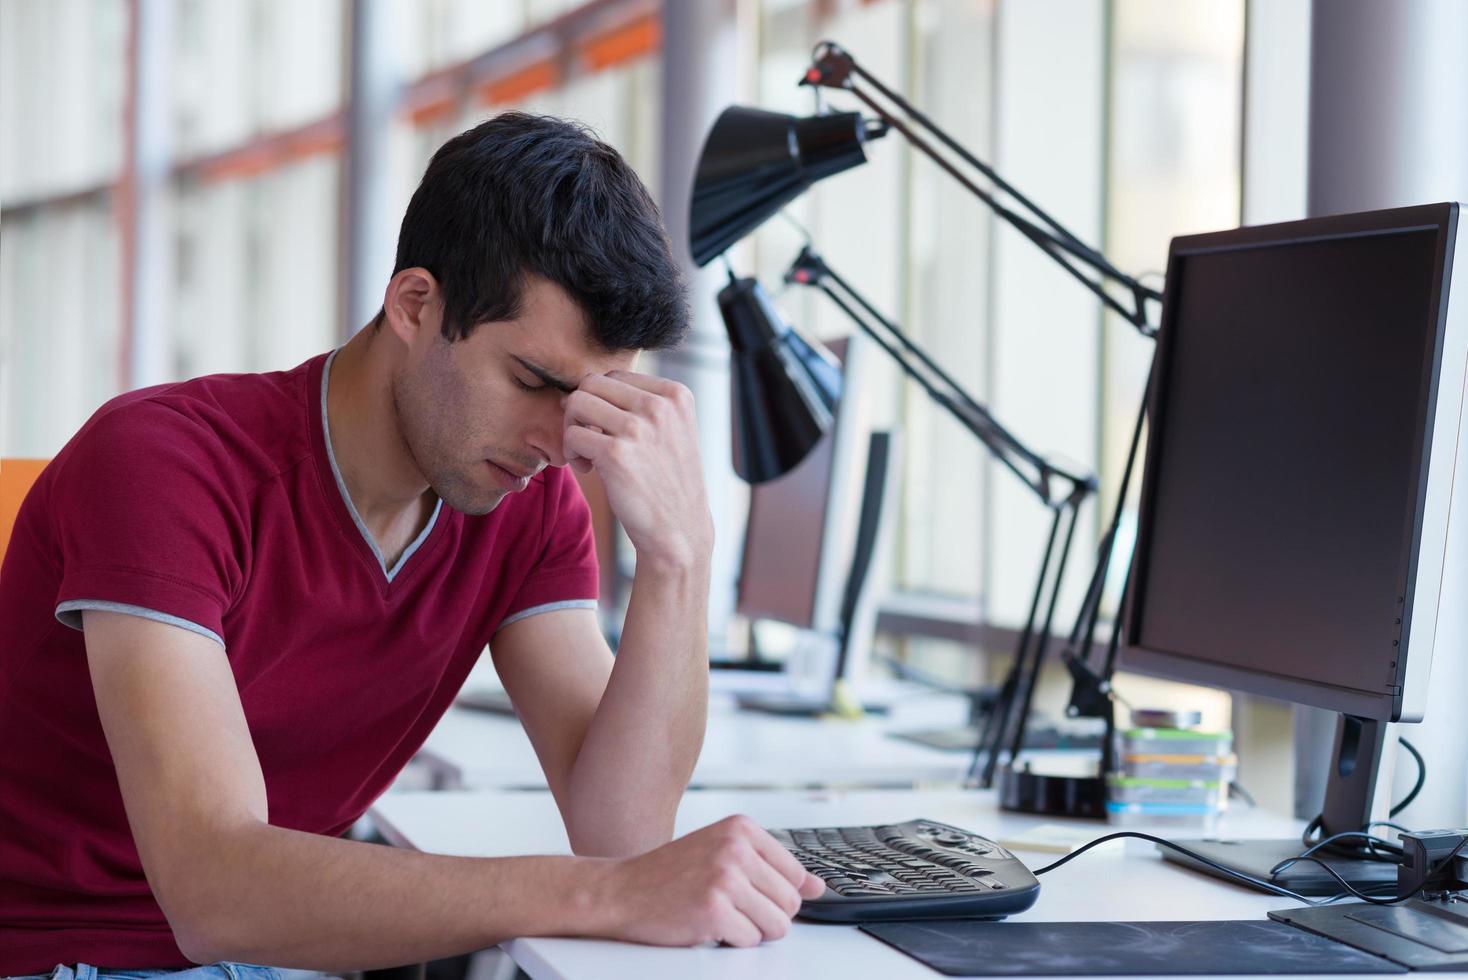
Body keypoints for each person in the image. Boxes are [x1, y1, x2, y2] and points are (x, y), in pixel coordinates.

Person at [0, 112, 823, 977]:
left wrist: (681, 556)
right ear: (415, 304)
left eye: (590, 400)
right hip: (69, 958)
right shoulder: (165, 465)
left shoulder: (523, 505)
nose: (558, 442)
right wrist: (604, 894)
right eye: (533, 382)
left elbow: (621, 829)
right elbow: (215, 891)